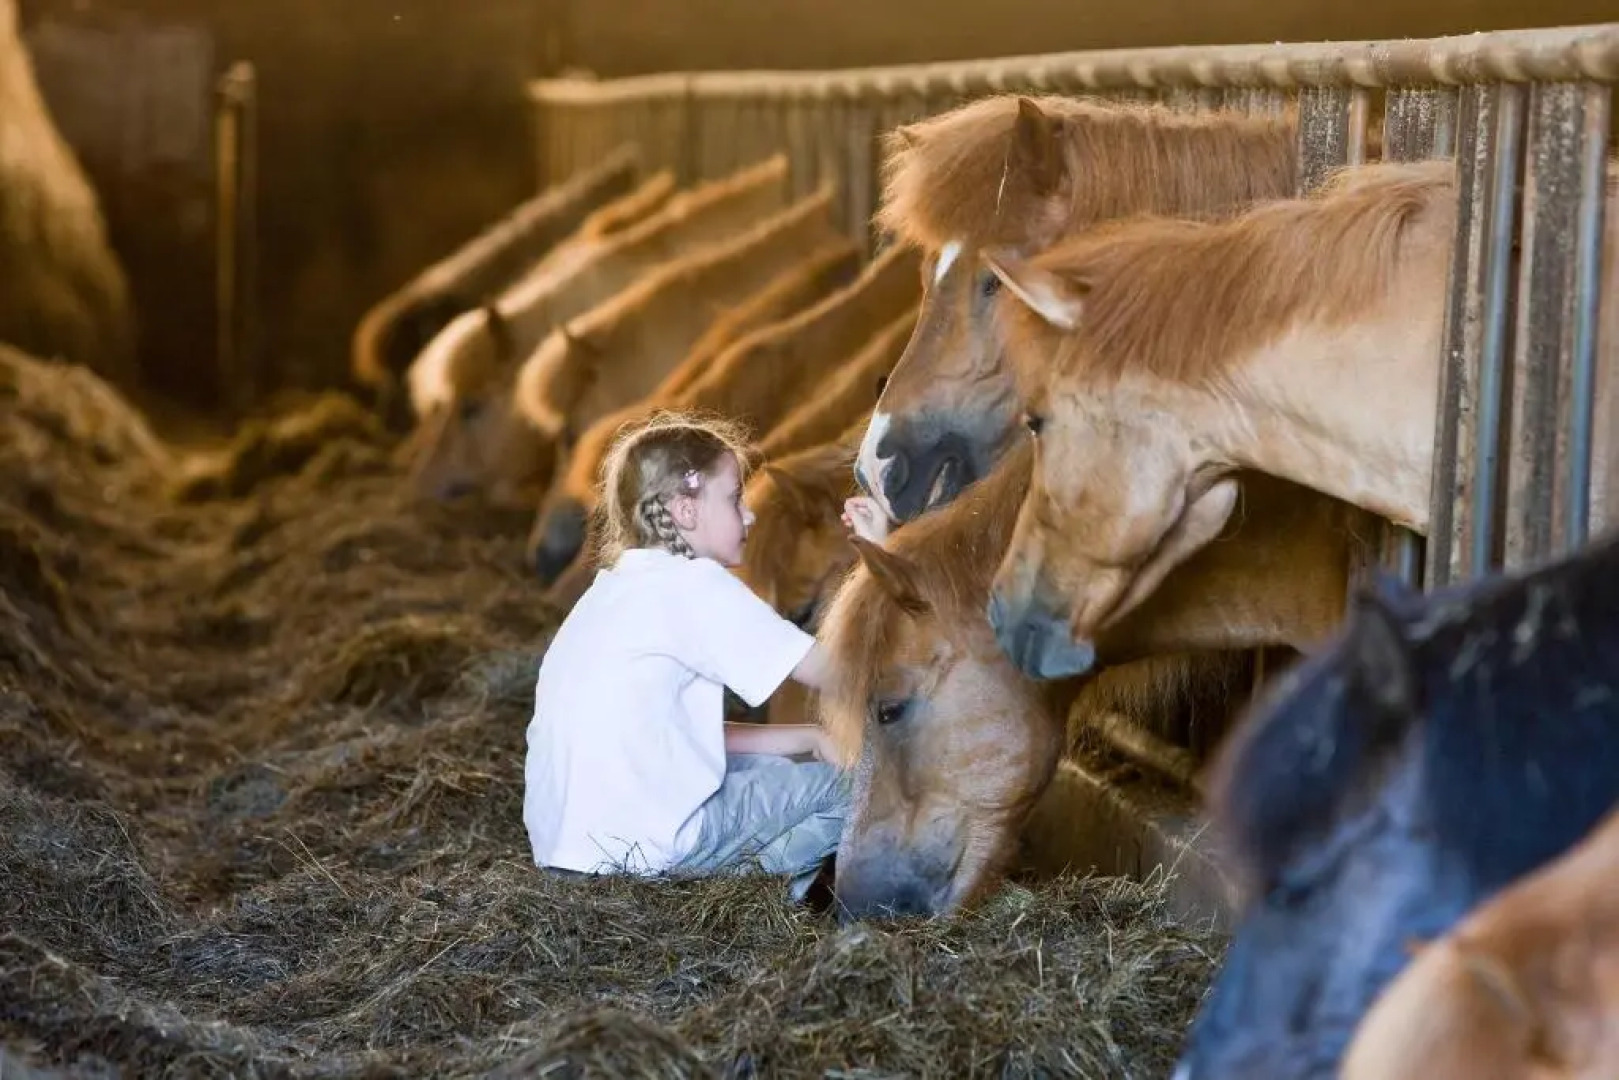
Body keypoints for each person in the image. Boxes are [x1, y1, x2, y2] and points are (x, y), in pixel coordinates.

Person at [523, 410, 890, 903]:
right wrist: (880, 555)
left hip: (567, 851)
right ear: (686, 511)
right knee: (855, 791)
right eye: (735, 499)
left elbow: (664, 737)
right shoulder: (696, 585)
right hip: (651, 846)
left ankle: (740, 894)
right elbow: (847, 675)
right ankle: (769, 902)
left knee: (784, 773)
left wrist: (807, 735)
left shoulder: (608, 593)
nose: (750, 515)